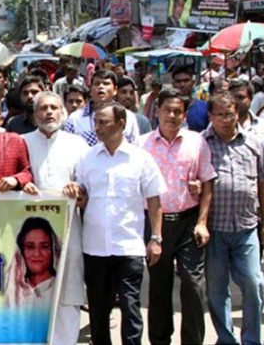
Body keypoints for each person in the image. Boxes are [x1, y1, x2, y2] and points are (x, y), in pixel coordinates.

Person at [65, 102, 165, 345]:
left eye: (103, 122)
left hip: (128, 246)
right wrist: (76, 192)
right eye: (96, 122)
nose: (97, 127)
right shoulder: (87, 159)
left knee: (131, 306)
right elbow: (82, 196)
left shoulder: (140, 159)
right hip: (95, 247)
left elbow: (154, 200)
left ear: (121, 124)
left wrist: (156, 238)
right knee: (99, 309)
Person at [138, 88, 216, 345]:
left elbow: (207, 184)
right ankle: (160, 340)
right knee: (159, 287)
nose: (172, 116)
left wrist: (202, 222)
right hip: (155, 224)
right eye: (167, 110)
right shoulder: (142, 144)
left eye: (178, 111)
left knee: (193, 286)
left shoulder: (197, 141)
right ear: (157, 111)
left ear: (185, 115)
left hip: (188, 222)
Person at [203, 93, 264, 345]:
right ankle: (226, 339)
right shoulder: (201, 144)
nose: (225, 119)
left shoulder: (254, 143)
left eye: (229, 113)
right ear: (210, 116)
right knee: (216, 290)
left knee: (254, 284)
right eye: (219, 114)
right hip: (215, 231)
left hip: (247, 229)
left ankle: (252, 340)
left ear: (238, 113)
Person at [22, 91, 89, 345]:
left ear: (63, 112)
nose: (48, 113)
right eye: (43, 108)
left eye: (54, 108)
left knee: (67, 292)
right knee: (31, 292)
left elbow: (87, 187)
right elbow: (16, 177)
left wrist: (78, 189)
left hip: (70, 230)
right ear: (34, 114)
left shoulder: (78, 145)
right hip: (29, 232)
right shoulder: (21, 142)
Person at [63, 70, 141, 147]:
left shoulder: (128, 117)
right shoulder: (75, 119)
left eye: (106, 84)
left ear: (115, 90)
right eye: (97, 84)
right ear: (90, 90)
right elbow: (68, 149)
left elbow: (135, 147)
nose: (101, 87)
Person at [5, 217, 61, 309]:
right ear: (21, 251)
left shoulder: (61, 287)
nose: (37, 253)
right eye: (30, 247)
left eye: (44, 246)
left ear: (53, 250)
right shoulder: (12, 288)